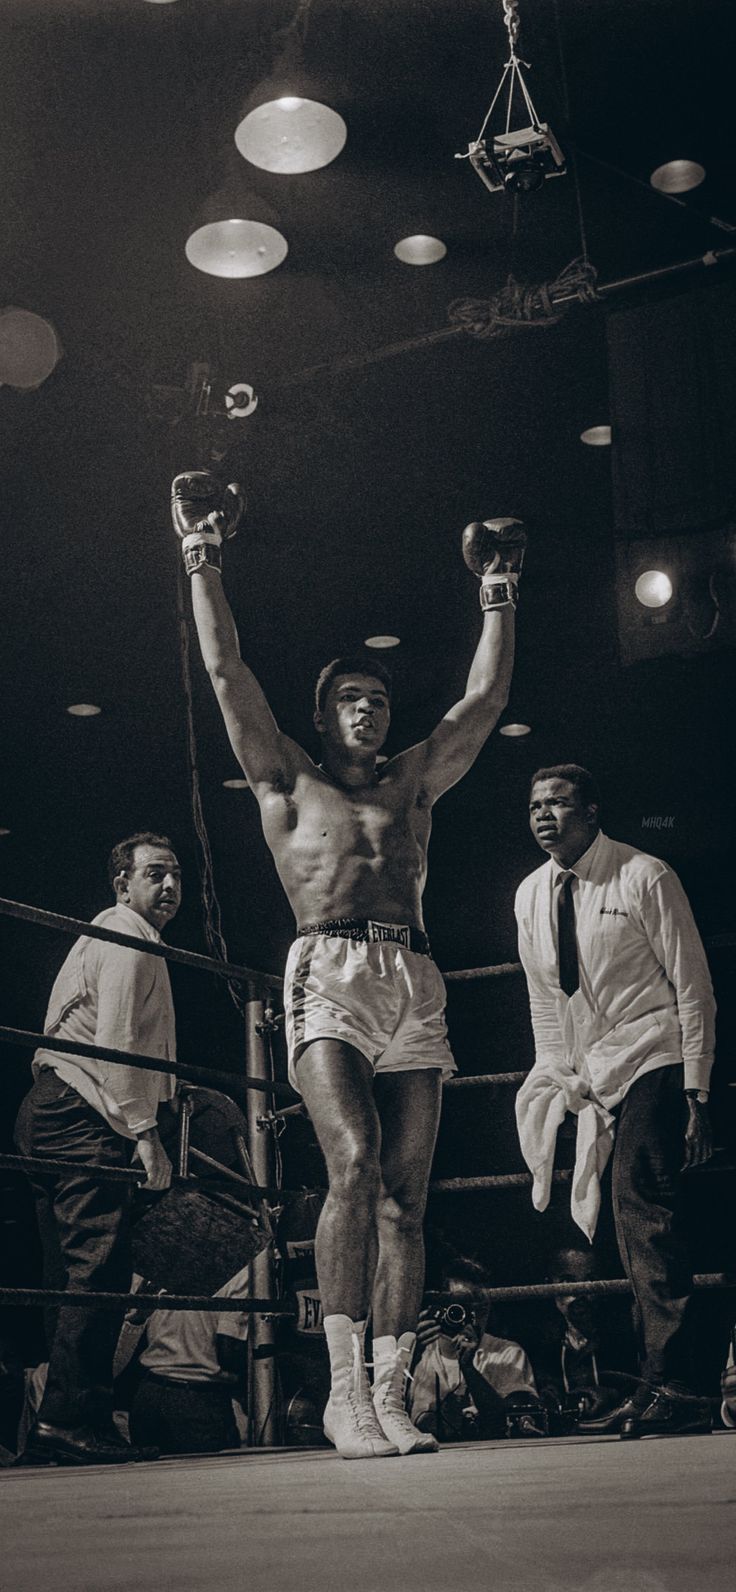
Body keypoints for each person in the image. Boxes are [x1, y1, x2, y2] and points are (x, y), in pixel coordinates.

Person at [171, 469, 524, 1458]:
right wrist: (201, 554)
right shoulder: (286, 778)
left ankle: (391, 1393)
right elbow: (226, 672)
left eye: (375, 696)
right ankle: (337, 1395)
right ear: (323, 716)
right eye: (349, 699)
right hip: (324, 969)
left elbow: (484, 699)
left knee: (410, 1196)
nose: (366, 709)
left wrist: (497, 584)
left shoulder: (413, 785)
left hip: (412, 977)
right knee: (355, 1166)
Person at [514, 764, 715, 1438]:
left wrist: (699, 1090)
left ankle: (679, 1387)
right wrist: (553, 1074)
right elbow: (545, 1001)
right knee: (621, 1229)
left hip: (657, 1052)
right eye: (537, 805)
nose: (546, 815)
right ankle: (656, 1382)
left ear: (592, 812)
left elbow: (693, 984)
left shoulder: (643, 875)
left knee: (643, 1211)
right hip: (595, 1073)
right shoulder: (530, 893)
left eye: (560, 803)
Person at [14, 833, 182, 1464]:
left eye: (175, 876)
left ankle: (63, 1423)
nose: (169, 887)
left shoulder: (109, 931)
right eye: (155, 874)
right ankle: (67, 1419)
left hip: (51, 1105)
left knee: (70, 1273)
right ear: (123, 883)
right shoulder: (126, 931)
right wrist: (146, 1135)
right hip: (85, 1108)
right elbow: (113, 1040)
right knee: (99, 1269)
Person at [409, 1259, 546, 1442]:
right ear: (440, 1306)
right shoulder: (416, 1352)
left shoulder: (508, 1354)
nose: (466, 1316)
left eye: (479, 1308)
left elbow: (509, 1423)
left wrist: (469, 1369)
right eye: (458, 1307)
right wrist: (410, 1354)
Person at [125, 1265, 250, 1455]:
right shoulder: (239, 1269)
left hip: (148, 1393)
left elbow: (132, 1328)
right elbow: (229, 1351)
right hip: (199, 1399)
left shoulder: (157, 1263)